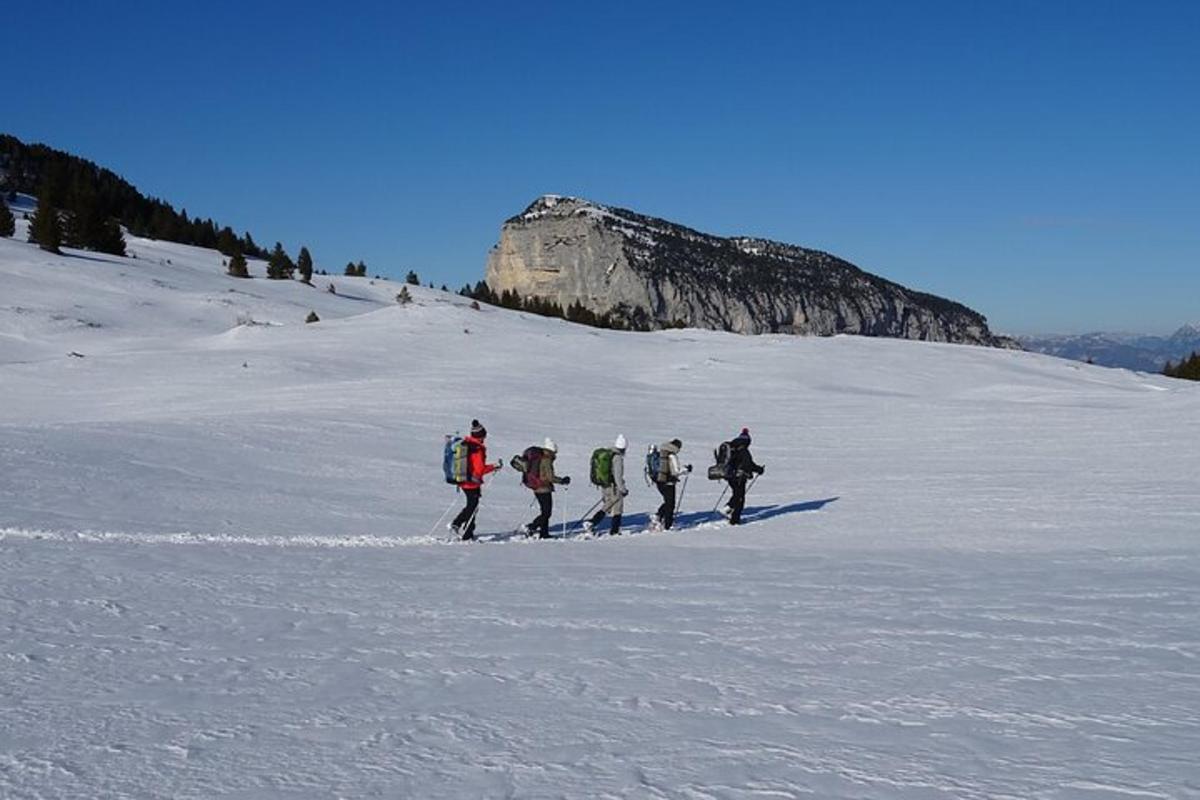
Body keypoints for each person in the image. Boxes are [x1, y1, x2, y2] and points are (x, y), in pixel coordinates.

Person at [449, 419, 502, 541]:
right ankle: (463, 529)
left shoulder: (466, 443)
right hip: (472, 483)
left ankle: (462, 528)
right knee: (473, 507)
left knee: (471, 506)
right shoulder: (477, 449)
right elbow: (480, 470)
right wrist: (493, 467)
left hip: (463, 480)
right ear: (481, 436)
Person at [522, 437, 570, 539]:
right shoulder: (546, 459)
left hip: (537, 487)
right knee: (547, 513)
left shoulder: (541, 457)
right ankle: (532, 527)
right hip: (544, 488)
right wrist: (562, 481)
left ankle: (544, 533)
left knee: (544, 512)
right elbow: (550, 477)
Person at [584, 434, 628, 536]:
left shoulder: (608, 453)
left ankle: (592, 523)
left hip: (605, 485)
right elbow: (618, 476)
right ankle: (613, 530)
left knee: (607, 505)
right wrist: (623, 489)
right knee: (617, 508)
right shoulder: (617, 458)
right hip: (614, 487)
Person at [722, 428, 765, 525]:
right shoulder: (743, 450)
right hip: (739, 476)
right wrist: (759, 470)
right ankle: (733, 518)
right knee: (740, 498)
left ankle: (729, 509)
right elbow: (748, 464)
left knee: (737, 493)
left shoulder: (731, 446)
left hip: (729, 475)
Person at [650, 438, 691, 530]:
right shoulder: (672, 455)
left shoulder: (662, 452)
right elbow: (676, 471)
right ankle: (668, 524)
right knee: (670, 504)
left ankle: (658, 516)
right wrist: (686, 469)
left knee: (667, 502)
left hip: (659, 481)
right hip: (669, 483)